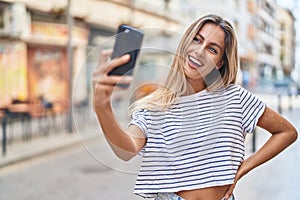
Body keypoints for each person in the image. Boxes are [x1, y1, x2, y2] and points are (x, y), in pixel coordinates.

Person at [93, 14, 298, 200]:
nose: (199, 51)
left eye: (212, 49)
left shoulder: (235, 98)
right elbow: (127, 150)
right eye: (197, 40)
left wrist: (243, 168)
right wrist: (102, 106)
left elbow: (287, 132)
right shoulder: (154, 106)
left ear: (219, 63)